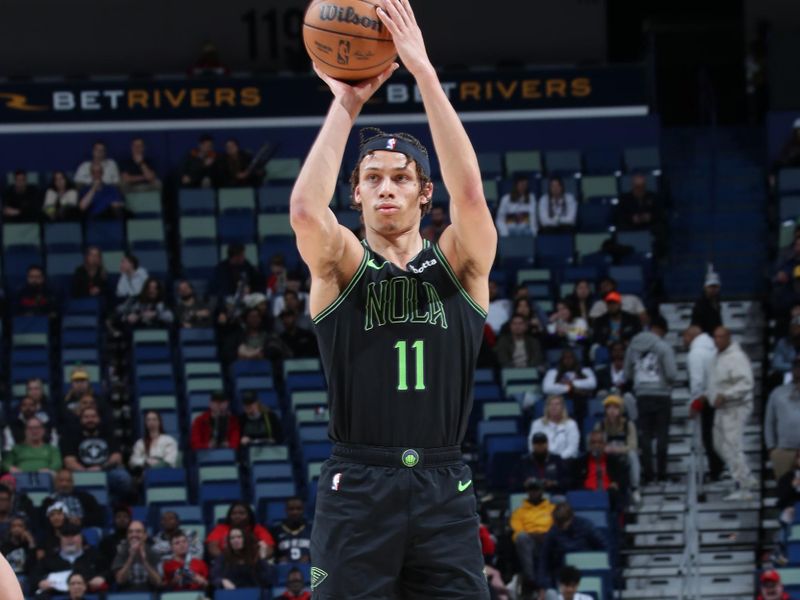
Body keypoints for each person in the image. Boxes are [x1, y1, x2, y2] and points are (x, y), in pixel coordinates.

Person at [290, 1, 496, 596]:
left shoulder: (458, 263)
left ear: (424, 192)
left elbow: (474, 199)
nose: (386, 187)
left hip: (443, 482)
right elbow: (305, 210)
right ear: (354, 194)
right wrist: (347, 102)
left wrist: (423, 72)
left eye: (401, 177)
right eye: (372, 177)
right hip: (358, 484)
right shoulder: (344, 265)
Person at [625, 315, 677, 483]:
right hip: (661, 395)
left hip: (642, 395)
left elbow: (627, 374)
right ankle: (661, 474)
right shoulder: (663, 347)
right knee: (662, 435)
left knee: (645, 436)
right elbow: (671, 374)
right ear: (661, 330)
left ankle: (648, 474)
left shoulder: (632, 347)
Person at [709, 326, 757, 501]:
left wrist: (726, 395)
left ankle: (743, 486)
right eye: (715, 337)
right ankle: (747, 476)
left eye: (720, 337)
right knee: (719, 444)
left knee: (732, 445)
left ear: (728, 338)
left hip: (736, 406)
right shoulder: (717, 356)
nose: (717, 340)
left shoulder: (736, 357)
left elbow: (746, 383)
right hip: (721, 408)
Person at [60, 406, 133, 502]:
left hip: (106, 472)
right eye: (86, 417)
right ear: (81, 419)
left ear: (99, 419)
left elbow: (117, 457)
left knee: (124, 478)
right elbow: (69, 461)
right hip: (81, 473)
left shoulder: (107, 434)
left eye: (93, 416)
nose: (90, 420)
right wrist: (86, 471)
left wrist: (101, 468)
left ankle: (108, 502)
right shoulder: (72, 436)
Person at [684, 324, 724, 482]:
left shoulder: (695, 353)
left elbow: (697, 381)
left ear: (692, 336)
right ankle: (718, 467)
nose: (683, 340)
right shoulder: (713, 349)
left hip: (705, 399)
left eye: (685, 336)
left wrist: (695, 403)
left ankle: (715, 469)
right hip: (717, 396)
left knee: (708, 437)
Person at [537, 503, 606, 593]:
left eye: (563, 522)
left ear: (571, 518)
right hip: (562, 572)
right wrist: (543, 584)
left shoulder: (586, 526)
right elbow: (544, 558)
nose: (560, 526)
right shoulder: (553, 531)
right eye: (558, 523)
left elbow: (603, 547)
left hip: (586, 569)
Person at [31, 522, 106, 596]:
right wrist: (40, 582)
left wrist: (102, 577)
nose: (70, 539)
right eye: (66, 536)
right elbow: (34, 576)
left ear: (81, 537)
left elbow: (107, 571)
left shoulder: (93, 556)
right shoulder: (48, 559)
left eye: (73, 535)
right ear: (60, 539)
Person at [509, 477, 555, 594]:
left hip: (548, 541)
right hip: (530, 544)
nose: (534, 492)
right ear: (527, 491)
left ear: (542, 491)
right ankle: (531, 580)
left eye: (536, 489)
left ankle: (552, 581)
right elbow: (517, 533)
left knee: (557, 537)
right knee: (522, 538)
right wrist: (535, 535)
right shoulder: (519, 512)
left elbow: (557, 528)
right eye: (531, 490)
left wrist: (546, 536)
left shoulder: (552, 509)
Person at [593, 394, 641, 503]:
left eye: (615, 407)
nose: (612, 411)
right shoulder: (600, 425)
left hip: (623, 453)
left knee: (633, 455)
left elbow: (632, 445)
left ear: (621, 410)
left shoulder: (628, 425)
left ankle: (635, 488)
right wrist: (604, 448)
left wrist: (616, 449)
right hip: (607, 453)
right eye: (609, 408)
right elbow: (595, 443)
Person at [542, 349, 597, 430]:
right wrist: (569, 388)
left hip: (580, 402)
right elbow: (546, 388)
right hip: (561, 399)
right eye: (565, 358)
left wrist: (572, 383)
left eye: (570, 357)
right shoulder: (553, 372)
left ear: (575, 359)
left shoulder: (585, 370)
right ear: (561, 360)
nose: (568, 360)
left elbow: (592, 383)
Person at [575, 430, 629, 511]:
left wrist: (616, 484)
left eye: (600, 442)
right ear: (589, 445)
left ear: (605, 444)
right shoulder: (580, 462)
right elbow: (574, 482)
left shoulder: (615, 461)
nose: (597, 445)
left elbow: (623, 479)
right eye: (593, 442)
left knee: (615, 494)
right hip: (587, 495)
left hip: (609, 496)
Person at [765, 357, 800, 481]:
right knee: (785, 492)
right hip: (784, 450)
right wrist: (771, 448)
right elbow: (769, 422)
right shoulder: (778, 393)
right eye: (797, 366)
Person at [206, 502, 274, 559]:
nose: (237, 516)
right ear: (229, 516)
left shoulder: (258, 529)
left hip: (253, 564)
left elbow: (269, 549)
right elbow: (212, 547)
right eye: (234, 514)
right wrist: (227, 559)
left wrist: (252, 560)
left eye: (242, 513)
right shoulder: (221, 529)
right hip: (226, 564)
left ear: (249, 515)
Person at [111, 520, 162, 590]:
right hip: (126, 595)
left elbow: (157, 582)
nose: (134, 535)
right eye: (130, 532)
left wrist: (144, 562)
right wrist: (130, 558)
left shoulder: (152, 552)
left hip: (149, 594)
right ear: (127, 535)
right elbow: (120, 580)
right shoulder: (122, 552)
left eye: (138, 531)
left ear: (145, 535)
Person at [271, 497, 312, 564]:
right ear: (286, 510)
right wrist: (278, 559)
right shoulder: (276, 530)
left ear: (303, 510)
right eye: (291, 509)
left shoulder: (312, 528)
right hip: (283, 570)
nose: (295, 512)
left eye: (299, 509)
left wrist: (310, 558)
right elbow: (272, 554)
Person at [691, 268, 723, 334]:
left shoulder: (717, 302)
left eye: (715, 287)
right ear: (705, 287)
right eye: (711, 287)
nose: (713, 289)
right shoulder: (700, 304)